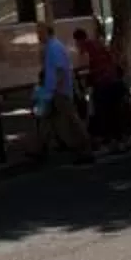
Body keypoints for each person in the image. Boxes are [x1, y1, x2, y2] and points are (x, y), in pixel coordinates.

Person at [34, 21, 91, 159]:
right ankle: (41, 147)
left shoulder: (53, 47)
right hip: (51, 89)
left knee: (69, 119)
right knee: (45, 118)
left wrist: (54, 88)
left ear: (47, 32)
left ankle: (84, 147)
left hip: (58, 91)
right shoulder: (50, 47)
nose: (38, 36)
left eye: (40, 32)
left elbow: (60, 70)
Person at [76, 24, 131, 151]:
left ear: (79, 40)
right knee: (114, 112)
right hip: (113, 81)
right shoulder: (98, 44)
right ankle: (120, 139)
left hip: (102, 83)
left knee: (103, 113)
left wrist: (83, 79)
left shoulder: (86, 47)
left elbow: (84, 65)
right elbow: (112, 59)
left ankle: (109, 140)